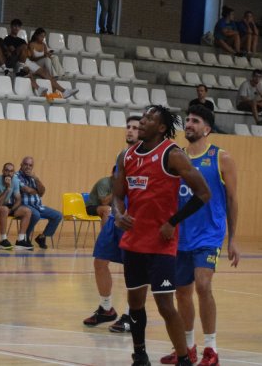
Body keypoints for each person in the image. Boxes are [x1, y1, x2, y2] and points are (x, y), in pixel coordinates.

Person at [112, 106, 212, 366]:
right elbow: (116, 195)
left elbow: (203, 193)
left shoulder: (173, 155)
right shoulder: (126, 155)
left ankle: (183, 359)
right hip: (133, 243)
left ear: (160, 127)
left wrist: (172, 222)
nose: (141, 122)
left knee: (166, 305)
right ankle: (140, 355)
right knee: (135, 303)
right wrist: (118, 214)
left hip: (161, 245)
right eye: (142, 117)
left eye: (148, 119)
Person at [158, 105, 239, 366]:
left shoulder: (221, 157)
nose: (189, 124)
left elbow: (232, 199)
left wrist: (233, 239)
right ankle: (188, 347)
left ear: (207, 128)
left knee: (203, 285)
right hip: (181, 235)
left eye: (195, 121)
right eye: (188, 120)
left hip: (209, 234)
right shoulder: (177, 157)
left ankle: (211, 349)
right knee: (182, 293)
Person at [84, 115, 142, 332]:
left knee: (133, 269)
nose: (130, 131)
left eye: (135, 128)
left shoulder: (147, 158)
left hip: (134, 220)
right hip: (116, 216)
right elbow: (117, 190)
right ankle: (106, 308)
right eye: (128, 127)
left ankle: (131, 314)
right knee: (100, 261)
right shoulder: (122, 156)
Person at [16, 156, 63, 249]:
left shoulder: (33, 177)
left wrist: (36, 179)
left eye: (30, 165)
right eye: (25, 164)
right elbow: (27, 190)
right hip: (24, 206)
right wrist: (37, 190)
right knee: (36, 215)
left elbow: (42, 191)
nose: (28, 167)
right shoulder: (16, 176)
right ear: (21, 165)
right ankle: (25, 237)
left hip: (38, 205)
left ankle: (42, 237)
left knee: (58, 215)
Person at [0, 162, 33, 250]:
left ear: (13, 172)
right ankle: (3, 240)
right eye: (7, 170)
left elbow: (18, 199)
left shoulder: (15, 180)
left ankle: (21, 241)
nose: (9, 173)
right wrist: (8, 188)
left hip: (5, 206)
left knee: (27, 211)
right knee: (4, 209)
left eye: (11, 171)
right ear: (3, 171)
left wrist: (11, 210)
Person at [22, 28, 65, 96]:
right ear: (36, 36)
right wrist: (44, 56)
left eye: (44, 36)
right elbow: (32, 58)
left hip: (43, 63)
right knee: (46, 59)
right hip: (35, 63)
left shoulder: (43, 45)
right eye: (41, 36)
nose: (43, 38)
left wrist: (48, 55)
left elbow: (46, 55)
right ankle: (53, 76)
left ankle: (59, 74)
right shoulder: (32, 44)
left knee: (54, 57)